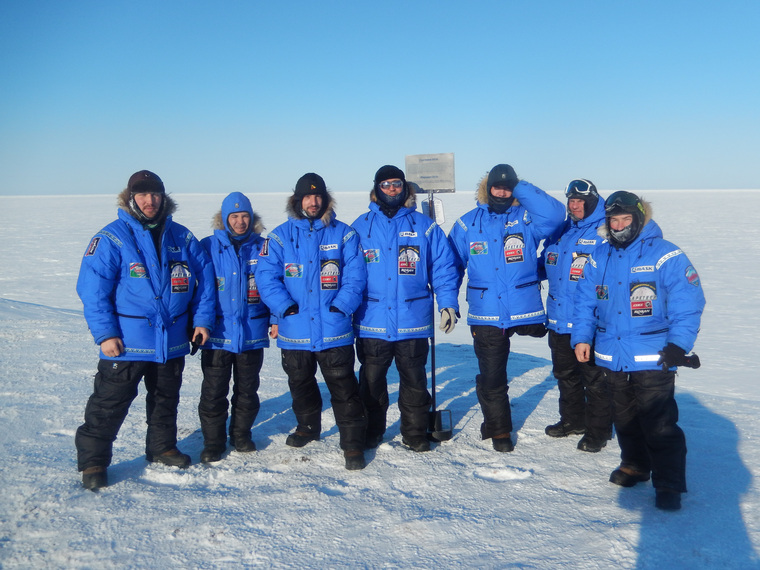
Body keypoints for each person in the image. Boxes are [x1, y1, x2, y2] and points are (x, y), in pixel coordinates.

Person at [75, 170, 216, 490]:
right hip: (127, 341)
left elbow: (206, 282)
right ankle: (94, 461)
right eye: (143, 195)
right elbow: (93, 290)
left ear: (164, 198)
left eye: (156, 194)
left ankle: (161, 447)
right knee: (109, 402)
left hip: (173, 339)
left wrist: (202, 321)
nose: (150, 200)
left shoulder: (182, 237)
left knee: (166, 398)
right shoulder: (112, 238)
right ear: (131, 198)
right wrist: (105, 334)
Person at [572, 191, 705, 511]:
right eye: (613, 220)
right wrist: (581, 338)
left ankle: (669, 481)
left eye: (625, 219)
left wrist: (678, 345)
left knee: (659, 421)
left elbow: (689, 303)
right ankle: (635, 464)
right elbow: (584, 301)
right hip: (611, 352)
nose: (618, 226)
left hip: (654, 353)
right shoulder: (599, 256)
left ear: (639, 218)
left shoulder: (665, 254)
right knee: (625, 416)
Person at [256, 173, 369, 470]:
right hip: (295, 329)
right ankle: (308, 426)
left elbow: (356, 276)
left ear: (326, 200)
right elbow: (266, 278)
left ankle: (353, 443)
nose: (313, 201)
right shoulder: (279, 237)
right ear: (297, 200)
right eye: (307, 196)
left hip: (334, 327)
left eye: (318, 196)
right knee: (300, 382)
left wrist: (342, 307)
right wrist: (285, 308)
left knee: (343, 386)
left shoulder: (343, 234)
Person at [449, 164, 565, 451]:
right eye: (496, 186)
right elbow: (450, 267)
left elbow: (555, 215)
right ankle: (499, 429)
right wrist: (448, 303)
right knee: (492, 375)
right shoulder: (467, 224)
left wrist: (521, 187)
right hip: (485, 311)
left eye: (507, 186)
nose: (501, 191)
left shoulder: (527, 218)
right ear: (487, 189)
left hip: (524, 309)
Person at [351, 165, 460, 452]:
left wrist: (447, 304)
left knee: (414, 381)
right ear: (376, 189)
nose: (391, 190)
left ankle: (414, 433)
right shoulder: (360, 228)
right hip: (371, 320)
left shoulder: (424, 226)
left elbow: (443, 268)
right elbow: (346, 275)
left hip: (413, 319)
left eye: (396, 184)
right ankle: (371, 431)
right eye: (385, 185)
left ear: (405, 188)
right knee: (371, 383)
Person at [197, 192, 277, 463]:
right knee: (213, 392)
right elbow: (203, 292)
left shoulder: (264, 247)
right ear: (224, 219)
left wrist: (275, 320)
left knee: (247, 390)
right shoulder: (207, 246)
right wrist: (200, 324)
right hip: (217, 335)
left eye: (245, 216)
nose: (240, 222)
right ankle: (213, 442)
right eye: (234, 217)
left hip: (252, 333)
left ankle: (241, 435)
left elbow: (274, 287)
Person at [541, 179, 612, 452]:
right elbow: (543, 265)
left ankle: (598, 431)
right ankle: (572, 421)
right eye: (571, 201)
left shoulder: (604, 231)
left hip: (589, 321)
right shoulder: (562, 231)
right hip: (559, 319)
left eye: (581, 201)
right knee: (565, 374)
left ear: (593, 201)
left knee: (594, 380)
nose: (575, 206)